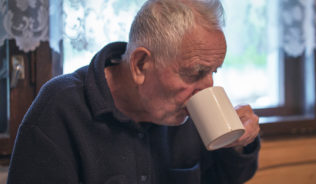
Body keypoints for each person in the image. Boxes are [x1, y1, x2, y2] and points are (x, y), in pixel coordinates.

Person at [7, 0, 260, 183]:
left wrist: (238, 146)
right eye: (194, 73)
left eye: (213, 72)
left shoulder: (186, 110)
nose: (207, 87)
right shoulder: (60, 108)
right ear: (140, 65)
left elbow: (223, 178)